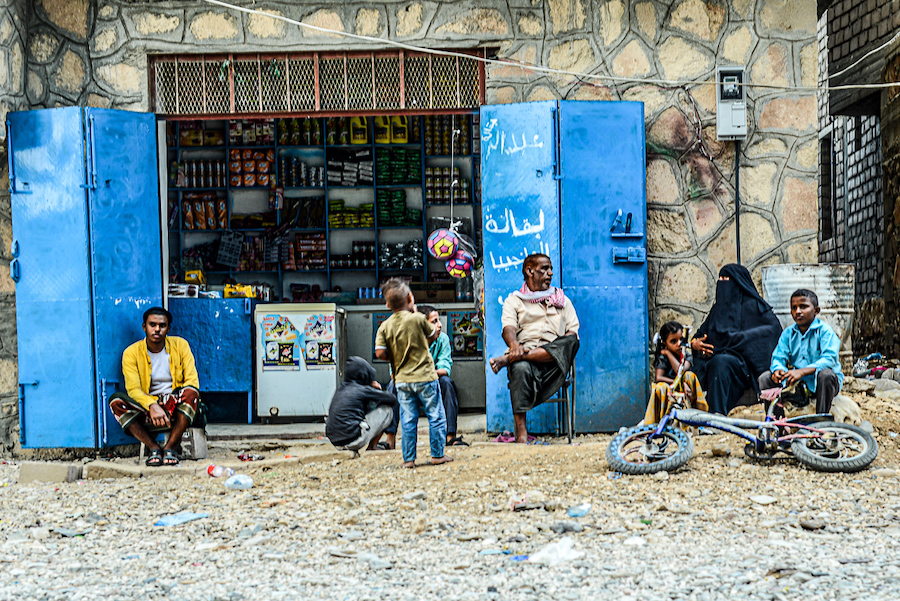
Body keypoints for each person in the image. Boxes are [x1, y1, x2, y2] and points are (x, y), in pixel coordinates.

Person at [489, 254, 580, 443]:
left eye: (551, 269)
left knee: (571, 341)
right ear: (529, 271)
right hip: (527, 366)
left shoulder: (562, 300)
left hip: (555, 363)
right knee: (519, 367)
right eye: (544, 269)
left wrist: (514, 354)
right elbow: (508, 329)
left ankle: (511, 359)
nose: (550, 273)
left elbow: (572, 334)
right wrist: (514, 346)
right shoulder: (514, 301)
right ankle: (521, 434)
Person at [374, 279, 453, 468]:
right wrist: (416, 313)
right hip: (425, 378)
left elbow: (379, 352)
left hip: (402, 381)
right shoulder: (417, 319)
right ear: (410, 298)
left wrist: (395, 356)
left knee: (408, 420)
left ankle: (408, 460)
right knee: (436, 415)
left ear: (387, 304)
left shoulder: (385, 326)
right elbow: (433, 334)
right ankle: (437, 454)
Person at [109, 307, 200, 467]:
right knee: (116, 401)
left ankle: (170, 447)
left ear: (168, 328)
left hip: (175, 405)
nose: (157, 329)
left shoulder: (181, 345)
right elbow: (133, 389)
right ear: (144, 326)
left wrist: (170, 400)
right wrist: (151, 405)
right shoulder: (131, 353)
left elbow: (192, 381)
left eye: (162, 325)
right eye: (152, 324)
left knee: (191, 393)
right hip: (147, 409)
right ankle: (155, 448)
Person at [690, 264, 782, 416]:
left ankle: (716, 414)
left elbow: (772, 330)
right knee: (719, 362)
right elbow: (700, 334)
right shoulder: (718, 310)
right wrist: (695, 344)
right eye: (720, 279)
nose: (722, 283)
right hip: (718, 362)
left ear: (738, 282)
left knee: (720, 362)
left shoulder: (755, 306)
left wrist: (741, 340)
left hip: (746, 365)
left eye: (726, 279)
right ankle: (715, 414)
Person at [380, 304, 465, 449]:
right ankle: (390, 438)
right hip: (408, 384)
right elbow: (395, 372)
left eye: (438, 321)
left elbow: (444, 369)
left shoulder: (442, 339)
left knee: (447, 383)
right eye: (434, 322)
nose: (439, 325)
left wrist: (422, 374)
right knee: (392, 386)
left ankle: (450, 437)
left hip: (431, 383)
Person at [757, 289, 843, 414]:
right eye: (794, 308)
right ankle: (778, 424)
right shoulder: (788, 333)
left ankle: (821, 420)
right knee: (765, 378)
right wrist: (778, 370)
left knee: (826, 375)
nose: (798, 311)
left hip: (821, 384)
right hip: (798, 385)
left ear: (816, 310)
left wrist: (801, 372)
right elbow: (778, 357)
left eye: (803, 307)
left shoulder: (825, 331)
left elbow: (830, 359)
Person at [325, 356, 399, 453]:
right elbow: (392, 399)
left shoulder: (341, 389)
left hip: (335, 440)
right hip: (352, 439)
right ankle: (373, 446)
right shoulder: (362, 389)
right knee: (387, 410)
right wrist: (376, 389)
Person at [643, 321, 707, 424]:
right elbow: (658, 378)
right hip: (670, 389)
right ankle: (660, 422)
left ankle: (700, 418)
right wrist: (667, 354)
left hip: (685, 390)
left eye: (681, 339)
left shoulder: (687, 355)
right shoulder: (663, 357)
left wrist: (668, 353)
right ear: (665, 344)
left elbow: (680, 370)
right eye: (673, 341)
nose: (679, 344)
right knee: (660, 387)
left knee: (689, 375)